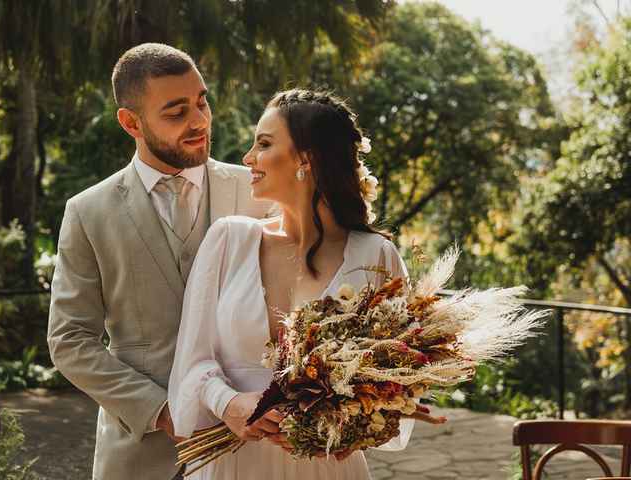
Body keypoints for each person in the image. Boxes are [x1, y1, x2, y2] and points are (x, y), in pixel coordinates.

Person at [169, 89, 443, 479]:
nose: (248, 158)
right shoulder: (228, 240)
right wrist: (229, 404)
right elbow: (190, 361)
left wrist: (335, 424)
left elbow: (396, 386)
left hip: (325, 468)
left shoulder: (376, 257)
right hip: (231, 465)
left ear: (306, 158)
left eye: (263, 144)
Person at [47, 43, 273, 480]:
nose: (199, 122)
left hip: (254, 448)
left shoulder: (259, 191)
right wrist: (165, 411)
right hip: (140, 456)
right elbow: (70, 339)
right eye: (176, 112)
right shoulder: (88, 212)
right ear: (131, 122)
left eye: (202, 102)